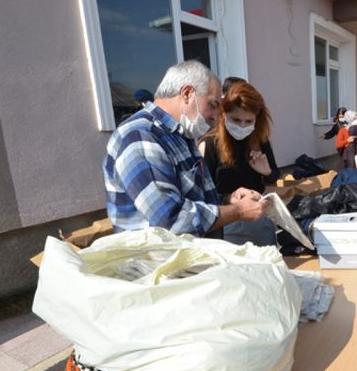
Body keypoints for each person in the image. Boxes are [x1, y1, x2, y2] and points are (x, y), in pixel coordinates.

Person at [103, 60, 267, 237]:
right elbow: (172, 220)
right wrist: (238, 211)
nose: (216, 116)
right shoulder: (140, 136)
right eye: (212, 105)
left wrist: (229, 200)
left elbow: (194, 199)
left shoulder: (179, 136)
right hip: (157, 255)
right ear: (187, 94)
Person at [199, 81, 279, 246]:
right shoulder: (209, 144)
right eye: (235, 120)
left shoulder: (260, 140)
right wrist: (230, 198)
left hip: (258, 219)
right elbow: (202, 194)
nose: (242, 126)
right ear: (224, 115)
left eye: (249, 121)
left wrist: (267, 172)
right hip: (227, 223)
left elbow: (273, 179)